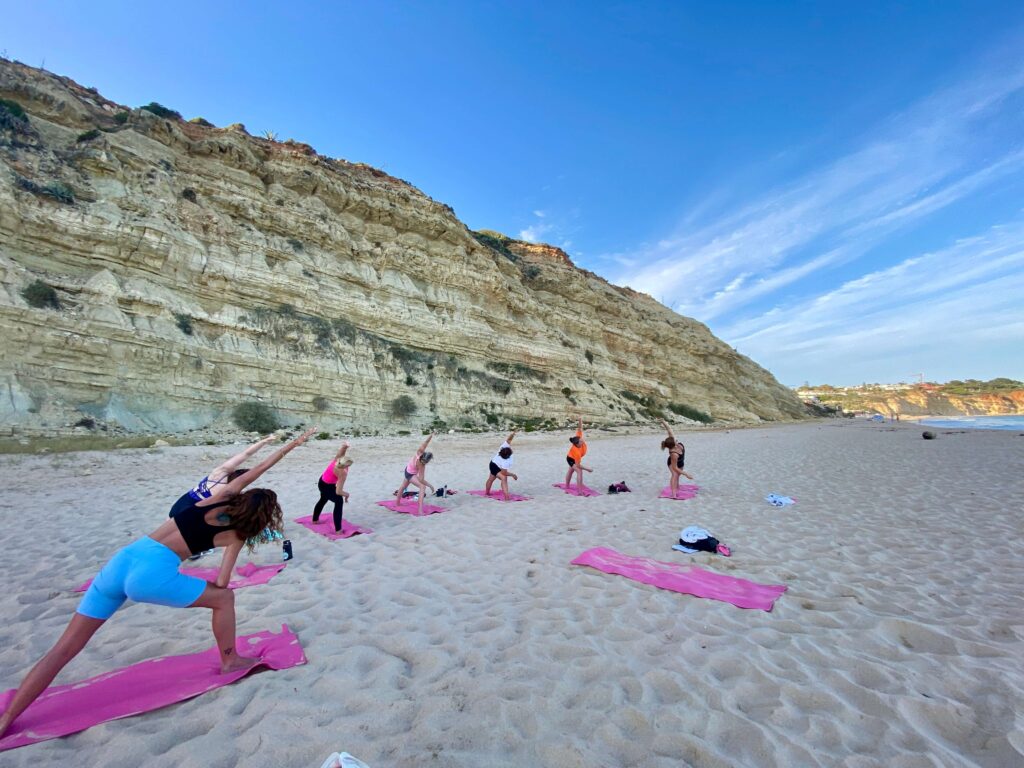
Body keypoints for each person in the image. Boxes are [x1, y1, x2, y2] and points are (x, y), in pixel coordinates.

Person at [0, 427, 318, 741]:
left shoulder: (217, 497)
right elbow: (222, 582)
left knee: (65, 648)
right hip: (151, 575)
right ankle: (229, 659)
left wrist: (292, 445)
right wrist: (218, 588)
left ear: (242, 496)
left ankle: (9, 717)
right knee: (225, 600)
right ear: (263, 519)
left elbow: (257, 469)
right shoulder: (237, 534)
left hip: (121, 561)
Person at [168, 434, 279, 517]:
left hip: (183, 501)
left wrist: (263, 441)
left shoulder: (219, 473)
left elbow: (246, 454)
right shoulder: (228, 492)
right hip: (193, 510)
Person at [312, 442, 352, 532]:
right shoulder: (342, 473)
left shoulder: (336, 461)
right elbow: (338, 491)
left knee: (323, 499)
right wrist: (347, 494)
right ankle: (338, 530)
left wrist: (345, 447)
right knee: (339, 501)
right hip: (327, 486)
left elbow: (341, 452)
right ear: (346, 465)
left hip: (321, 482)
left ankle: (315, 520)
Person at [393, 433, 436, 516]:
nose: (424, 463)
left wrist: (431, 435)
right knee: (422, 487)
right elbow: (421, 480)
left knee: (403, 486)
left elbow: (426, 443)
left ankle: (397, 503)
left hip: (407, 470)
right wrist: (430, 485)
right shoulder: (422, 466)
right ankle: (420, 511)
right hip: (410, 474)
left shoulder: (419, 451)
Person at [660, 419, 694, 496]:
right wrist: (686, 474)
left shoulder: (673, 440)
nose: (676, 440)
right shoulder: (673, 454)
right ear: (673, 445)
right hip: (673, 464)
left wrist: (663, 422)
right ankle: (673, 493)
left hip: (681, 461)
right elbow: (675, 468)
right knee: (675, 475)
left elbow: (669, 430)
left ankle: (677, 487)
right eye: (675, 440)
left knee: (678, 475)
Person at [484, 429, 518, 500]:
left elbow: (509, 440)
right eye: (510, 451)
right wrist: (513, 475)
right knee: (504, 478)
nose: (511, 449)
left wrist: (513, 434)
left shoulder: (504, 448)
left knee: (491, 478)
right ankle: (506, 497)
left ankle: (487, 493)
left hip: (492, 463)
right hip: (495, 466)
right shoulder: (506, 461)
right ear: (508, 455)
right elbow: (504, 472)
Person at [564, 415, 593, 492]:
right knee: (579, 471)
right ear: (577, 444)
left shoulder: (577, 438)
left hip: (573, 458)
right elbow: (578, 465)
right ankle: (580, 491)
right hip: (570, 459)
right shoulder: (576, 451)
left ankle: (567, 486)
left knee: (571, 470)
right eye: (581, 441)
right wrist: (588, 469)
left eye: (581, 439)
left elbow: (580, 428)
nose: (582, 440)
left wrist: (580, 419)